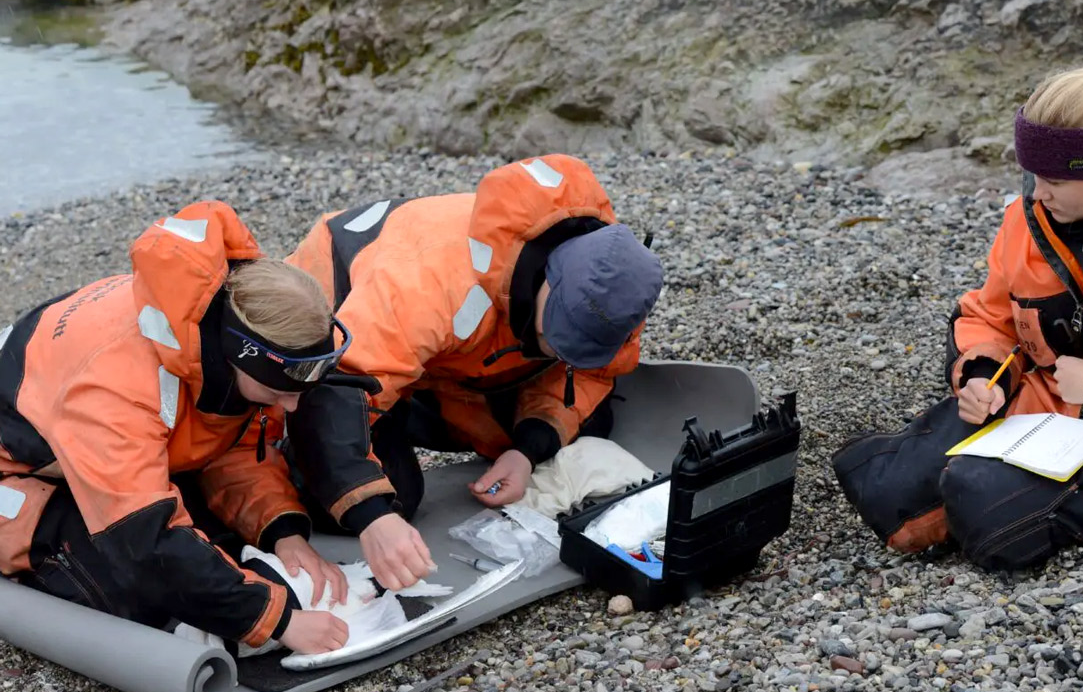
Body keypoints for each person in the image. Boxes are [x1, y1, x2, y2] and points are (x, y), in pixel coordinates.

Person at [834, 61, 1083, 570]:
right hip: (1057, 412)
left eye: (1051, 179)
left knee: (988, 513)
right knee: (885, 486)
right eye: (1030, 174)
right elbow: (989, 316)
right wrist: (985, 375)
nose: (1036, 193)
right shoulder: (1035, 216)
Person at [283, 154, 664, 590]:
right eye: (557, 333)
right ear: (547, 278)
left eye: (577, 346)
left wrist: (525, 452)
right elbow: (340, 386)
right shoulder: (429, 282)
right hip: (336, 333)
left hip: (451, 357)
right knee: (386, 497)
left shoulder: (615, 289)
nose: (561, 351)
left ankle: (403, 413)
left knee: (584, 423)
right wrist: (371, 516)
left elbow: (590, 377)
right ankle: (293, 446)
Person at [0, 201, 356, 655]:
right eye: (282, 387)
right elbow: (145, 541)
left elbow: (232, 446)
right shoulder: (115, 387)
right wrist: (278, 620)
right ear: (240, 355)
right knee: (135, 592)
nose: (294, 402)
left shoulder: (213, 329)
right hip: (17, 475)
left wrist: (280, 531)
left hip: (85, 448)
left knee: (223, 554)